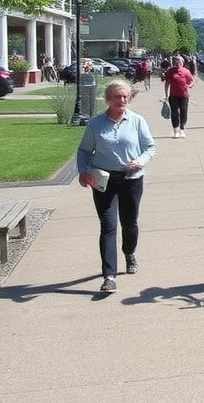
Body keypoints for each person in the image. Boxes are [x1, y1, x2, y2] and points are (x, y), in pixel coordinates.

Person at [76, 80, 157, 293]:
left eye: (124, 97)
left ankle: (129, 253)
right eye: (116, 97)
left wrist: (139, 161)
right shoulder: (96, 124)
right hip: (104, 181)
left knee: (130, 224)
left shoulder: (137, 121)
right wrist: (83, 171)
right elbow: (84, 151)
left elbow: (150, 147)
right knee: (108, 226)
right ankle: (109, 276)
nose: (121, 100)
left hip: (132, 179)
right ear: (108, 99)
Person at [163, 54, 194, 138]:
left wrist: (189, 85)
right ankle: (176, 130)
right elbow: (167, 83)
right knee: (174, 113)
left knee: (184, 113)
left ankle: (182, 129)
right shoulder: (171, 71)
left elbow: (192, 81)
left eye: (179, 61)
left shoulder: (186, 71)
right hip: (173, 96)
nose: (177, 63)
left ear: (182, 62)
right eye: (175, 61)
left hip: (184, 95)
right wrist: (166, 94)